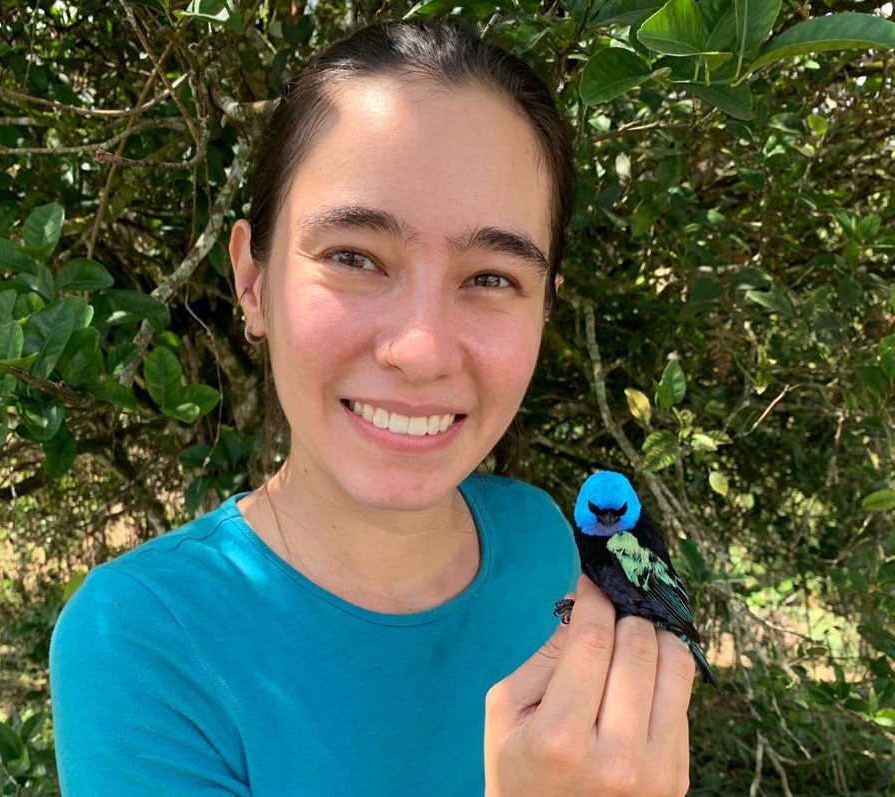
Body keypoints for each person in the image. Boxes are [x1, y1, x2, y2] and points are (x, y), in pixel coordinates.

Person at [49, 18, 694, 797]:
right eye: (354, 257)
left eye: (491, 277)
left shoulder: (540, 536)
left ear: (542, 312)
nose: (420, 348)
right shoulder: (144, 641)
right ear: (253, 282)